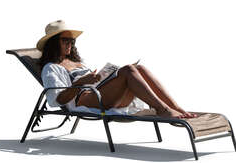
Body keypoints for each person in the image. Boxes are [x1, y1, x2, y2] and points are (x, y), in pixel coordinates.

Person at [38, 20, 197, 118]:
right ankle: (162, 109)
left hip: (100, 93)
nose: (70, 44)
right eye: (65, 40)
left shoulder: (76, 62)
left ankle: (175, 107)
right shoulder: (51, 68)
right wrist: (81, 82)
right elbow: (56, 100)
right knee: (128, 70)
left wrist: (102, 76)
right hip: (87, 100)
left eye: (72, 40)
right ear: (53, 42)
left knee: (138, 67)